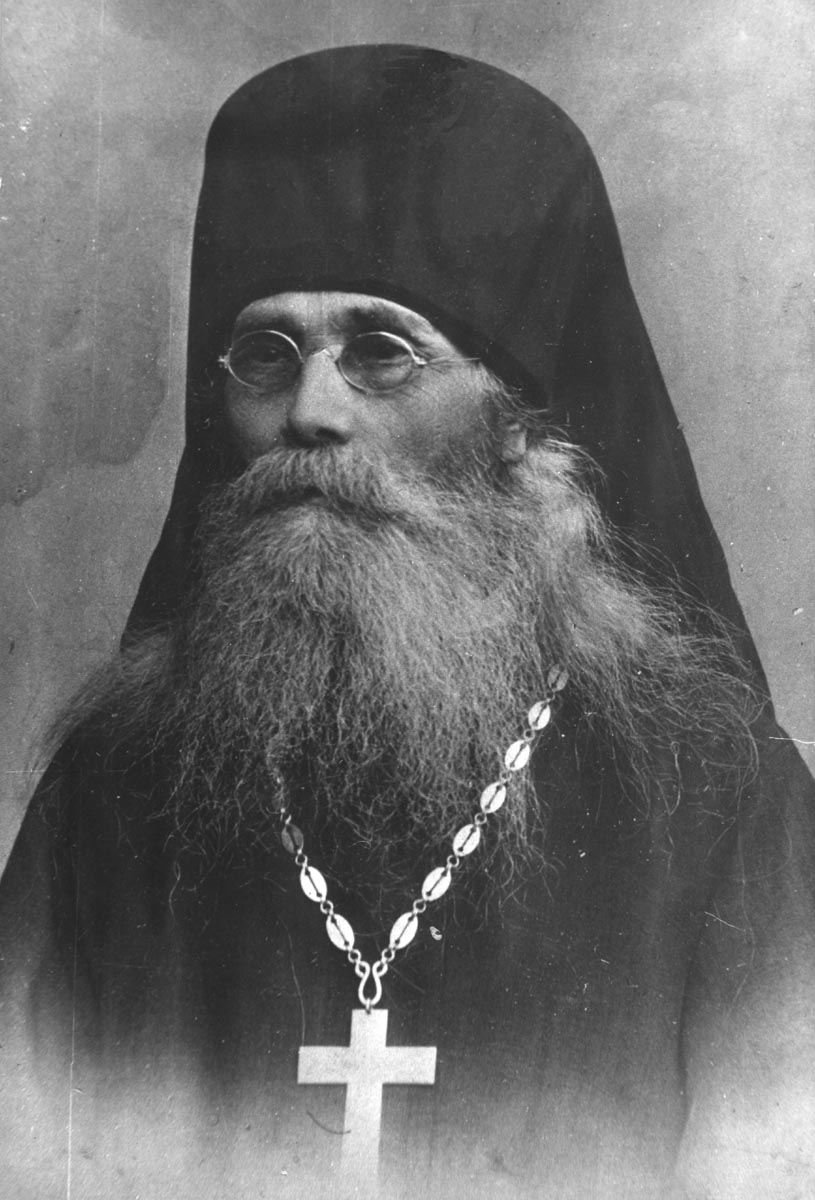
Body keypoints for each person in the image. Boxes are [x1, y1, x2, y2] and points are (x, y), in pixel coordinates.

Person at [1, 44, 813, 1200]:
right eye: (264, 356)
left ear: (522, 428)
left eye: (380, 353)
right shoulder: (108, 792)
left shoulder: (720, 796)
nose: (309, 412)